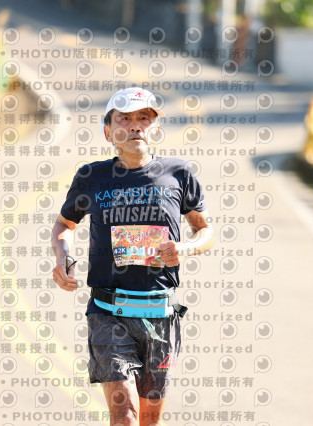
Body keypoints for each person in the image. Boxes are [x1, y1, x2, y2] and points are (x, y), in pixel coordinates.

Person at [51, 87, 215, 426]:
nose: (136, 125)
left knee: (149, 419)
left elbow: (205, 231)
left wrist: (184, 249)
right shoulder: (91, 176)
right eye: (124, 119)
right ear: (108, 131)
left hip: (160, 313)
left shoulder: (179, 174)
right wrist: (62, 257)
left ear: (155, 128)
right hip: (108, 313)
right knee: (124, 414)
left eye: (144, 118)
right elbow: (64, 225)